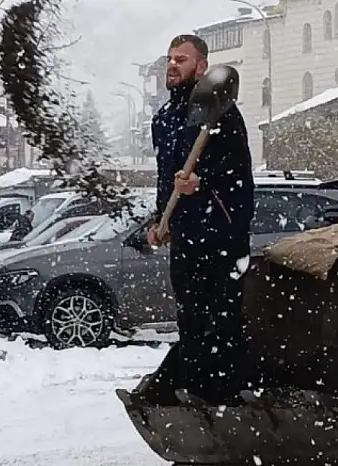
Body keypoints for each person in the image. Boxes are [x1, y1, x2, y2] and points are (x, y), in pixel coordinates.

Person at [146, 34, 254, 404]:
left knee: (222, 320)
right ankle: (193, 395)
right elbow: (166, 178)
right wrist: (160, 219)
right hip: (186, 235)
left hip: (223, 235)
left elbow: (238, 173)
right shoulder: (164, 119)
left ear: (202, 67)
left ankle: (226, 399)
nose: (173, 65)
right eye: (170, 58)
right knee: (190, 319)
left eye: (182, 59)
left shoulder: (222, 112)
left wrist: (202, 183)